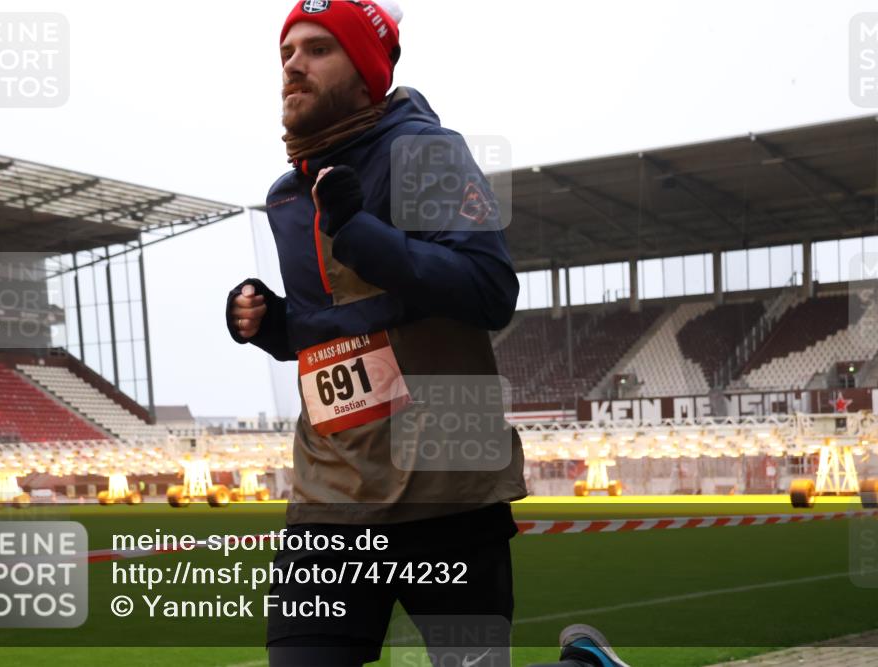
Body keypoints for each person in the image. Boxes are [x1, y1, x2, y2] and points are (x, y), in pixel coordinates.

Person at [227, 2, 629, 666]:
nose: (293, 64)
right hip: (330, 497)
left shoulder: (425, 154)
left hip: (446, 486)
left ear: (366, 73)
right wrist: (274, 325)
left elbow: (489, 289)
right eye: (287, 51)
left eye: (318, 49)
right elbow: (339, 326)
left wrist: (361, 233)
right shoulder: (287, 196)